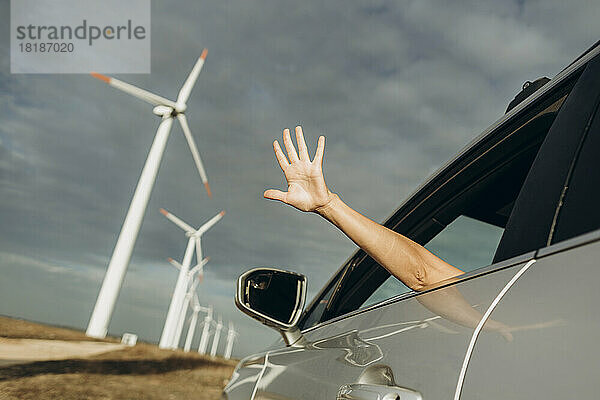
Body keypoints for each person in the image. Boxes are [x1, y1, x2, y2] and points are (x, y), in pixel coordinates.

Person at [264, 126, 464, 291]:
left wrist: (329, 206)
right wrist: (327, 205)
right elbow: (423, 274)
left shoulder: (489, 300)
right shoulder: (489, 301)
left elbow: (422, 275)